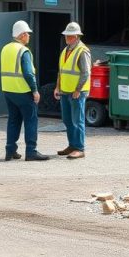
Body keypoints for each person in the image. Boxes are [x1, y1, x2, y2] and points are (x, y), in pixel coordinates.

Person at [1, 20, 48, 161]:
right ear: (21, 35)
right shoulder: (23, 51)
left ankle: (10, 151)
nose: (29, 36)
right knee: (31, 120)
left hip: (8, 90)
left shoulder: (5, 49)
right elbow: (28, 73)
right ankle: (31, 151)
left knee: (13, 120)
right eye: (27, 33)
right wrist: (35, 90)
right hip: (23, 91)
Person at [54, 21, 91, 160]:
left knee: (77, 120)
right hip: (65, 91)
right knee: (68, 120)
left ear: (76, 36)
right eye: (66, 35)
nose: (67, 38)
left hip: (77, 93)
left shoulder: (82, 51)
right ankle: (72, 145)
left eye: (69, 36)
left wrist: (78, 90)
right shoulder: (66, 50)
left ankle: (79, 148)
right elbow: (61, 71)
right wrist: (57, 87)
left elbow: (85, 73)